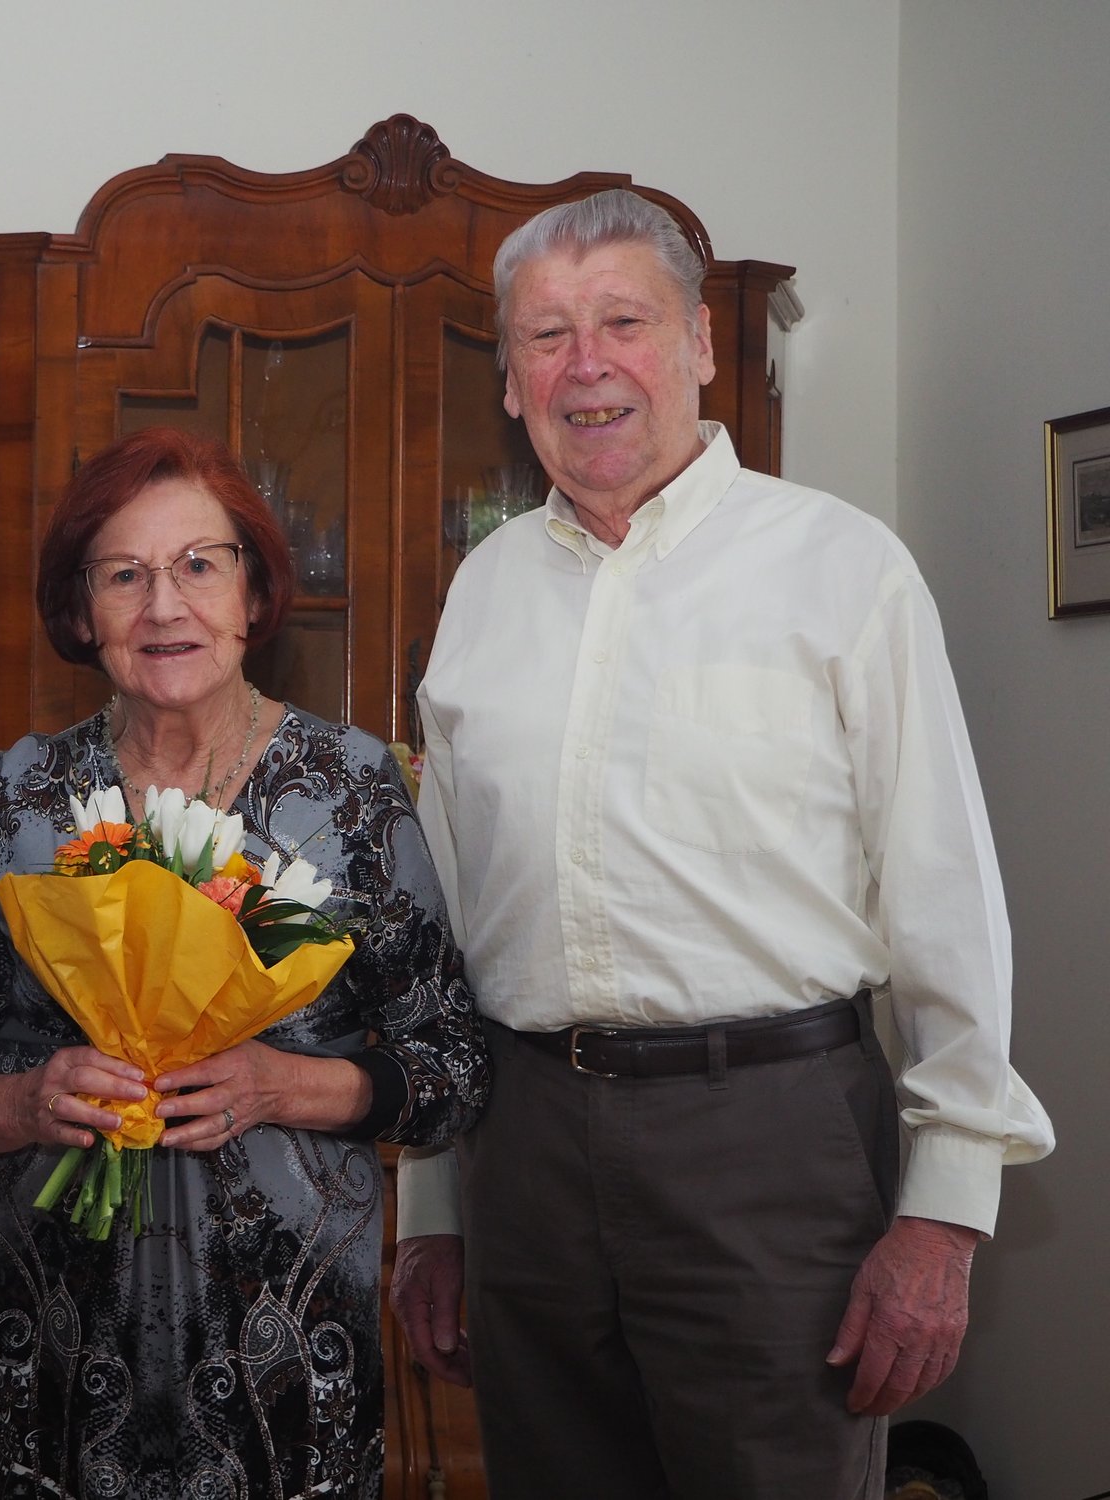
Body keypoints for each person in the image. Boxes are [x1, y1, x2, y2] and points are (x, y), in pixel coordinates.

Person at [390, 188, 1054, 1497]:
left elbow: (946, 899)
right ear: (511, 383)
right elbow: (442, 920)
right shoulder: (485, 591)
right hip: (521, 1148)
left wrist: (942, 1212)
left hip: (773, 1148)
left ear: (700, 346)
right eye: (545, 335)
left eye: (623, 322)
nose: (587, 364)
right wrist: (433, 1210)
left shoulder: (843, 571)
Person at [0, 427, 489, 1498]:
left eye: (196, 566)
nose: (162, 606)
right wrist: (31, 1104)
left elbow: (448, 1066)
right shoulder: (13, 800)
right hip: (43, 1344)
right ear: (80, 613)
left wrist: (284, 1085)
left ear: (254, 594)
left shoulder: (350, 792)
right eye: (122, 575)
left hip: (284, 1347)